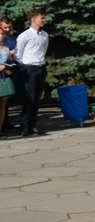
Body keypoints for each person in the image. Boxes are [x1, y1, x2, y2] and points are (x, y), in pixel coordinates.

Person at [14, 9, 48, 137]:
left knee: (37, 98)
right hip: (29, 69)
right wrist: (25, 65)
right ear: (34, 20)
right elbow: (18, 53)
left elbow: (43, 50)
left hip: (41, 67)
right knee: (30, 98)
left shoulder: (45, 35)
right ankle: (24, 127)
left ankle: (33, 126)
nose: (44, 20)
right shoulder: (25, 35)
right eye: (41, 18)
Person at [0, 19, 17, 135]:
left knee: (3, 104)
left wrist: (7, 68)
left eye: (2, 34)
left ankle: (1, 128)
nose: (2, 36)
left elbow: (10, 62)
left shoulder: (6, 49)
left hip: (3, 77)